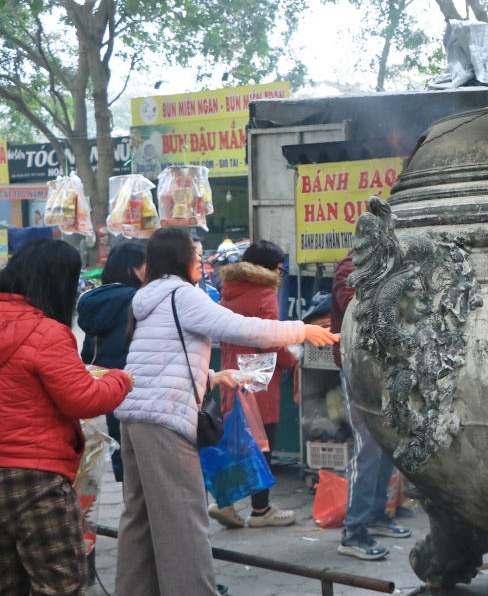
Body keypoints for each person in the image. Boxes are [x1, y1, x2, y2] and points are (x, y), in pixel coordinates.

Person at [113, 227, 337, 595]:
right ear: (178, 259)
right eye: (195, 253)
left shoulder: (148, 296)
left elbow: (161, 361)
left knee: (138, 518)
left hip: (135, 416)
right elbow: (242, 329)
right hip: (166, 419)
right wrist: (301, 331)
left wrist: (214, 375)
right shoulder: (182, 294)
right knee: (184, 519)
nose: (201, 259)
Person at [0, 239, 133, 594]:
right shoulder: (47, 332)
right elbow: (83, 399)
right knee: (60, 584)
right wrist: (121, 378)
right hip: (35, 478)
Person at [207, 240, 299, 529]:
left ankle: (225, 504)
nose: (280, 274)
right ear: (271, 268)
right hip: (257, 375)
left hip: (230, 373)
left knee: (235, 440)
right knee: (262, 442)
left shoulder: (230, 289)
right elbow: (269, 337)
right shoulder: (264, 292)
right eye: (280, 269)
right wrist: (291, 359)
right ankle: (261, 510)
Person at [332, 251, 411, 560]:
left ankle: (376, 515)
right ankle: (353, 531)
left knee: (386, 442)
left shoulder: (389, 264)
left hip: (384, 366)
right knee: (367, 446)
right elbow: (351, 306)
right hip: (358, 367)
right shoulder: (351, 267)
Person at [77, 241, 146, 483]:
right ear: (134, 269)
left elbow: (87, 353)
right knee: (144, 469)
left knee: (126, 464)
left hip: (111, 392)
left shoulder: (96, 302)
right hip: (140, 389)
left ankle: (131, 514)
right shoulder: (138, 301)